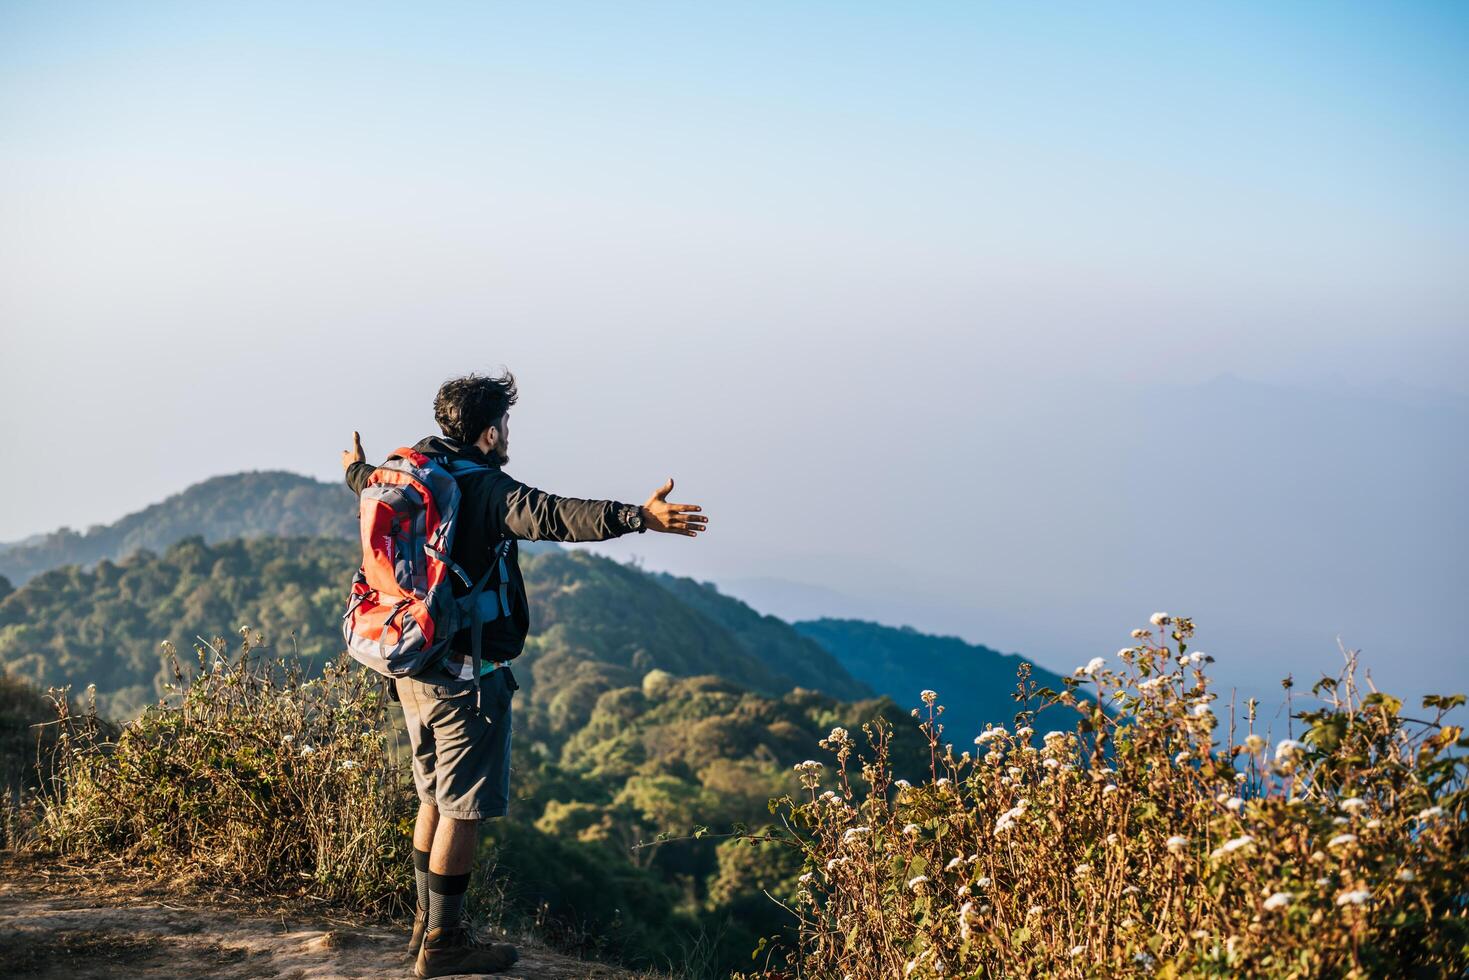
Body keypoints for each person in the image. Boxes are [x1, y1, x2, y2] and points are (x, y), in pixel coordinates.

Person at [341, 370, 707, 978]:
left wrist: (354, 467)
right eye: (504, 425)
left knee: (433, 794)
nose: (508, 434)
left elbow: (362, 484)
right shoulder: (485, 491)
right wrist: (640, 517)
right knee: (462, 809)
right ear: (488, 433)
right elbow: (557, 516)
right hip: (466, 675)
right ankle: (445, 943)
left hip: (410, 661)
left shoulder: (405, 470)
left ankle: (423, 929)